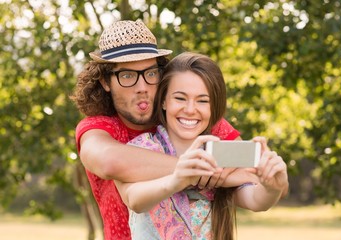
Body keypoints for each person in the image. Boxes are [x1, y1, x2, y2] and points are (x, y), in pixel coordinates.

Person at [71, 19, 249, 240]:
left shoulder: (187, 117)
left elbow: (247, 160)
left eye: (151, 73)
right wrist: (199, 171)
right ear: (106, 81)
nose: (142, 87)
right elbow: (109, 161)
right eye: (127, 75)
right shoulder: (99, 127)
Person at [114, 52, 288, 240]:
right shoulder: (140, 148)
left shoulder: (219, 154)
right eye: (180, 98)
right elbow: (134, 200)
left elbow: (255, 200)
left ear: (214, 107)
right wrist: (178, 179)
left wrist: (272, 187)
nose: (190, 110)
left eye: (203, 101)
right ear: (163, 100)